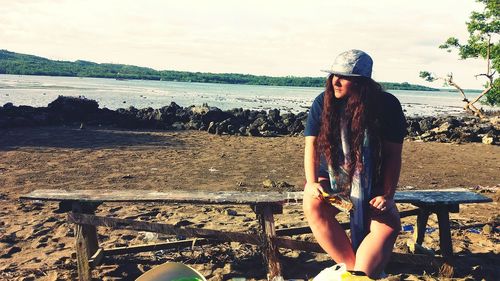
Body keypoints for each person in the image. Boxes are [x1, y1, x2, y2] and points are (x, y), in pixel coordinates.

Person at [303, 49, 406, 278]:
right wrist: (311, 183)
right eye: (333, 75)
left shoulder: (387, 106)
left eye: (344, 77)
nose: (335, 81)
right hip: (330, 174)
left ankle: (357, 274)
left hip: (372, 177)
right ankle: (354, 271)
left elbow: (392, 155)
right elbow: (311, 145)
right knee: (312, 204)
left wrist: (387, 195)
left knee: (389, 224)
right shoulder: (323, 102)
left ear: (362, 83)